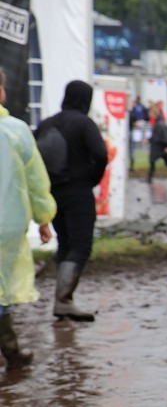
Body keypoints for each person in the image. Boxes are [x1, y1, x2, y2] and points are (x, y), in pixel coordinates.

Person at [35, 79, 108, 321]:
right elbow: (100, 153)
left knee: (65, 244)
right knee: (81, 245)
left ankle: (63, 300)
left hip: (52, 192)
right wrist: (92, 178)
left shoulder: (46, 123)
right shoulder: (84, 123)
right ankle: (64, 300)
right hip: (78, 192)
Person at [0, 66, 56, 369]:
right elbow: (36, 180)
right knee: (1, 286)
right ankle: (10, 349)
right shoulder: (16, 131)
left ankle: (11, 349)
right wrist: (43, 218)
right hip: (6, 227)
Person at [147, 103, 167, 183]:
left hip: (160, 147)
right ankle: (149, 178)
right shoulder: (157, 123)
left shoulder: (160, 124)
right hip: (159, 147)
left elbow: (164, 136)